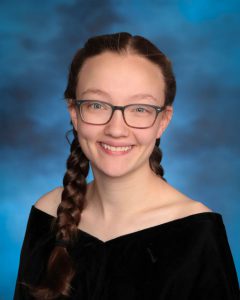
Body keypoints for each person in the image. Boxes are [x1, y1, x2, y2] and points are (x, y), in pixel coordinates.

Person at [14, 32, 239, 300]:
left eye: (140, 109)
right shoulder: (47, 213)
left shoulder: (197, 233)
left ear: (163, 120)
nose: (116, 129)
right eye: (97, 105)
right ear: (74, 112)